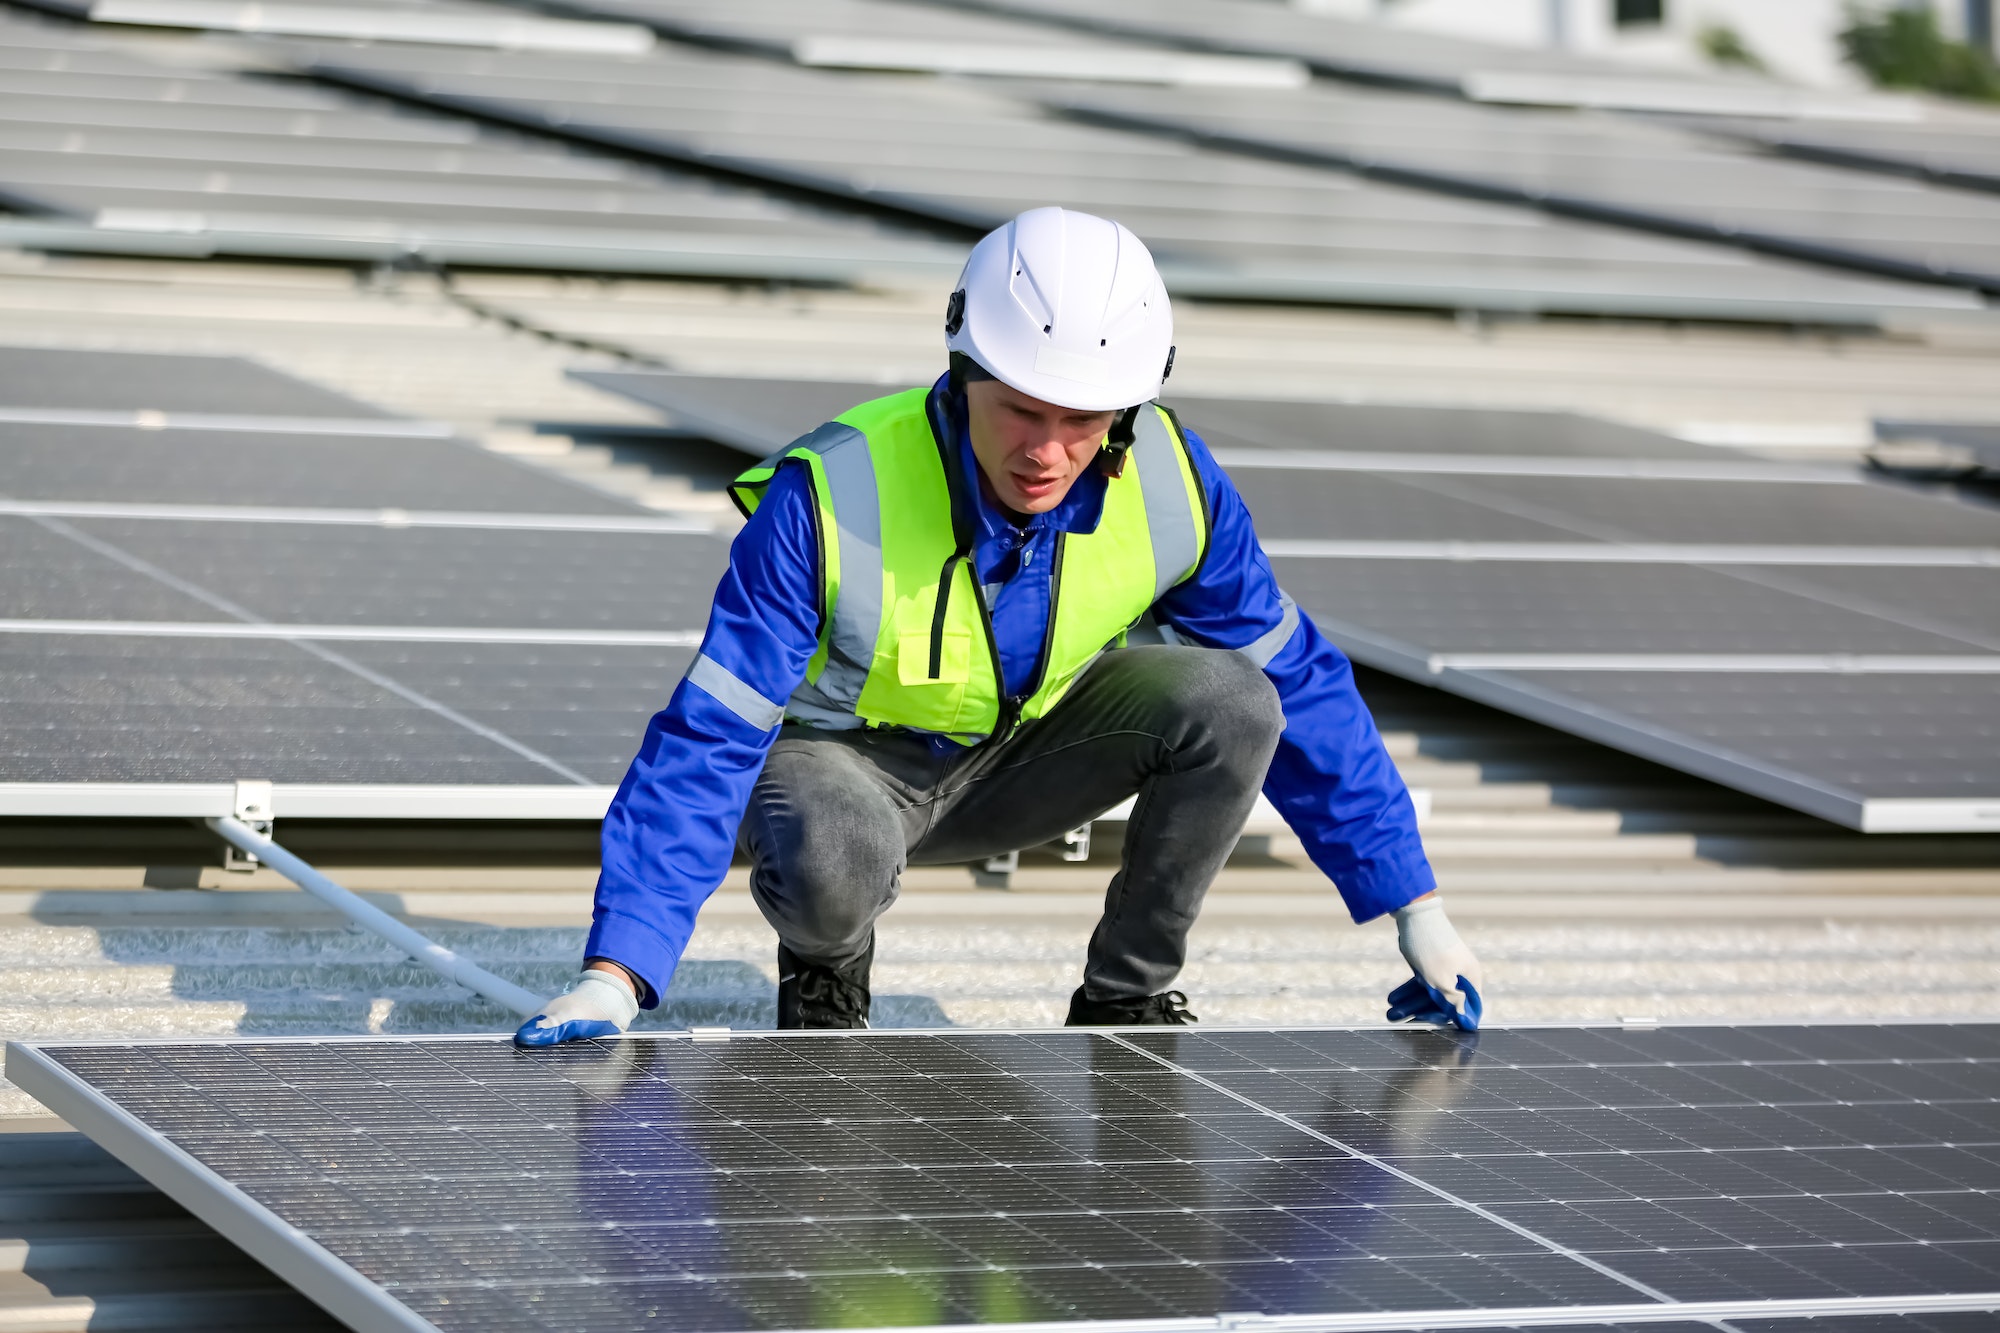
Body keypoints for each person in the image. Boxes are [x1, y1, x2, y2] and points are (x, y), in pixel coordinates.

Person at [515, 207, 1483, 1046]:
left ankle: (1124, 999)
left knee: (1236, 699)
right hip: (843, 780)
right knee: (833, 847)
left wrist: (1414, 906)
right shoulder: (830, 496)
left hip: (1025, 760)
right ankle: (826, 971)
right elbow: (710, 730)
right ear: (961, 365)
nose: (1048, 450)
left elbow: (1303, 681)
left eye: (1085, 419)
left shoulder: (1170, 486)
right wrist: (620, 970)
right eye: (1021, 409)